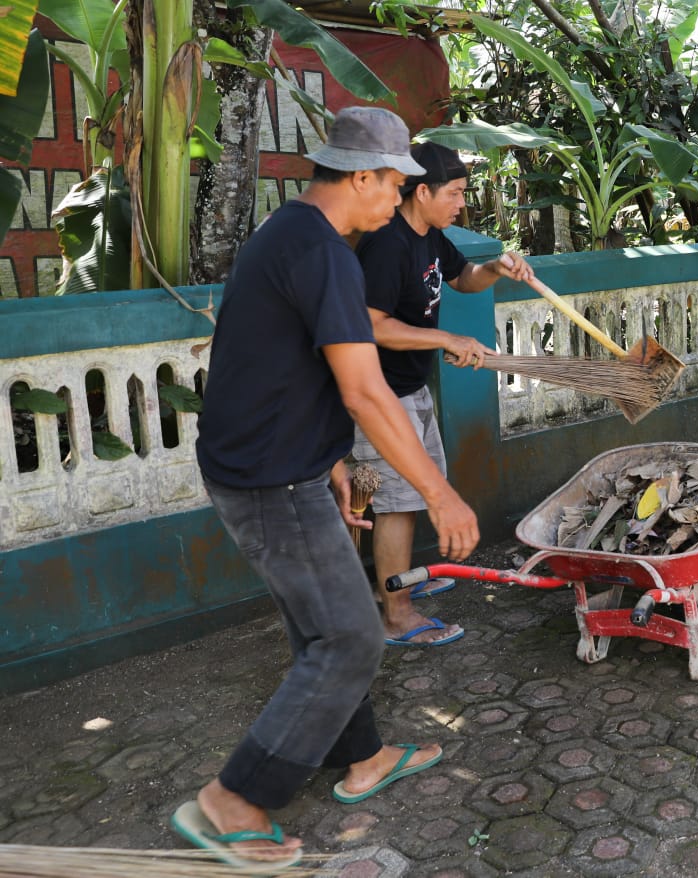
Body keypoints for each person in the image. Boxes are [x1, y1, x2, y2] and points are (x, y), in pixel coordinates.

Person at [176, 107, 478, 869]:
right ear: (363, 176)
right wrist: (439, 494)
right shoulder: (327, 253)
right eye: (396, 182)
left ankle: (365, 757)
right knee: (348, 636)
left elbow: (279, 362)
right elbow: (366, 392)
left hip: (279, 465)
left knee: (324, 626)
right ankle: (233, 799)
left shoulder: (294, 235)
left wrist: (331, 462)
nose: (400, 196)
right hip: (269, 479)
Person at [353, 142, 533, 647]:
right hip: (381, 393)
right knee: (396, 503)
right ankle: (396, 614)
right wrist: (445, 339)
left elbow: (462, 278)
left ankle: (402, 582)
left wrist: (495, 267)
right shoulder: (387, 243)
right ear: (422, 191)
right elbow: (370, 324)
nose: (460, 204)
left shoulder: (431, 234)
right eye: (454, 194)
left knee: (411, 494)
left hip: (411, 385)